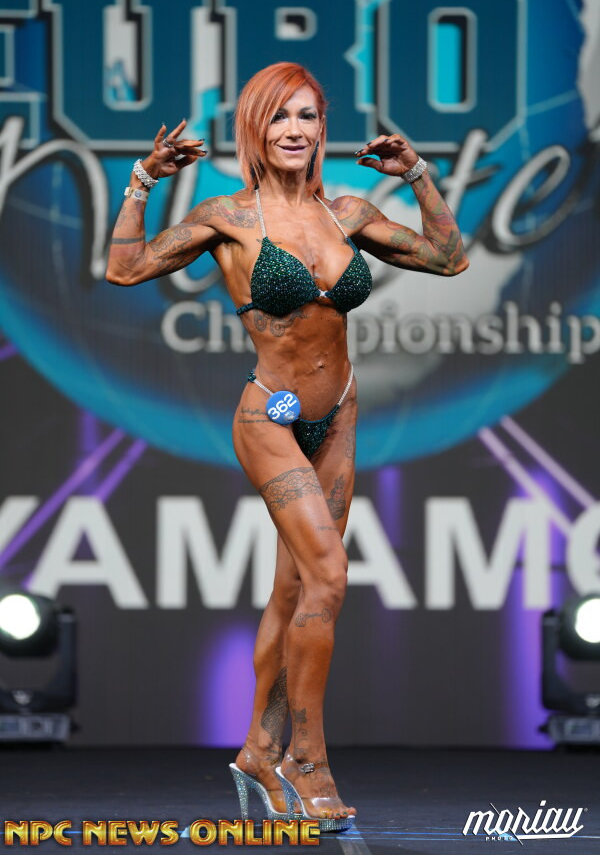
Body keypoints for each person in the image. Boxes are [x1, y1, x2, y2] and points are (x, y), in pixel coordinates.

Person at [105, 62, 468, 831]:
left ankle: (256, 751)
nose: (294, 130)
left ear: (322, 127)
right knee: (330, 577)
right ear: (255, 129)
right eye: (278, 116)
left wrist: (419, 175)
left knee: (296, 591)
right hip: (267, 421)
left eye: (306, 115)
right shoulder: (229, 217)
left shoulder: (347, 212)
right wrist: (142, 179)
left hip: (337, 416)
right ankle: (308, 758)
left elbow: (449, 257)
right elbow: (124, 267)